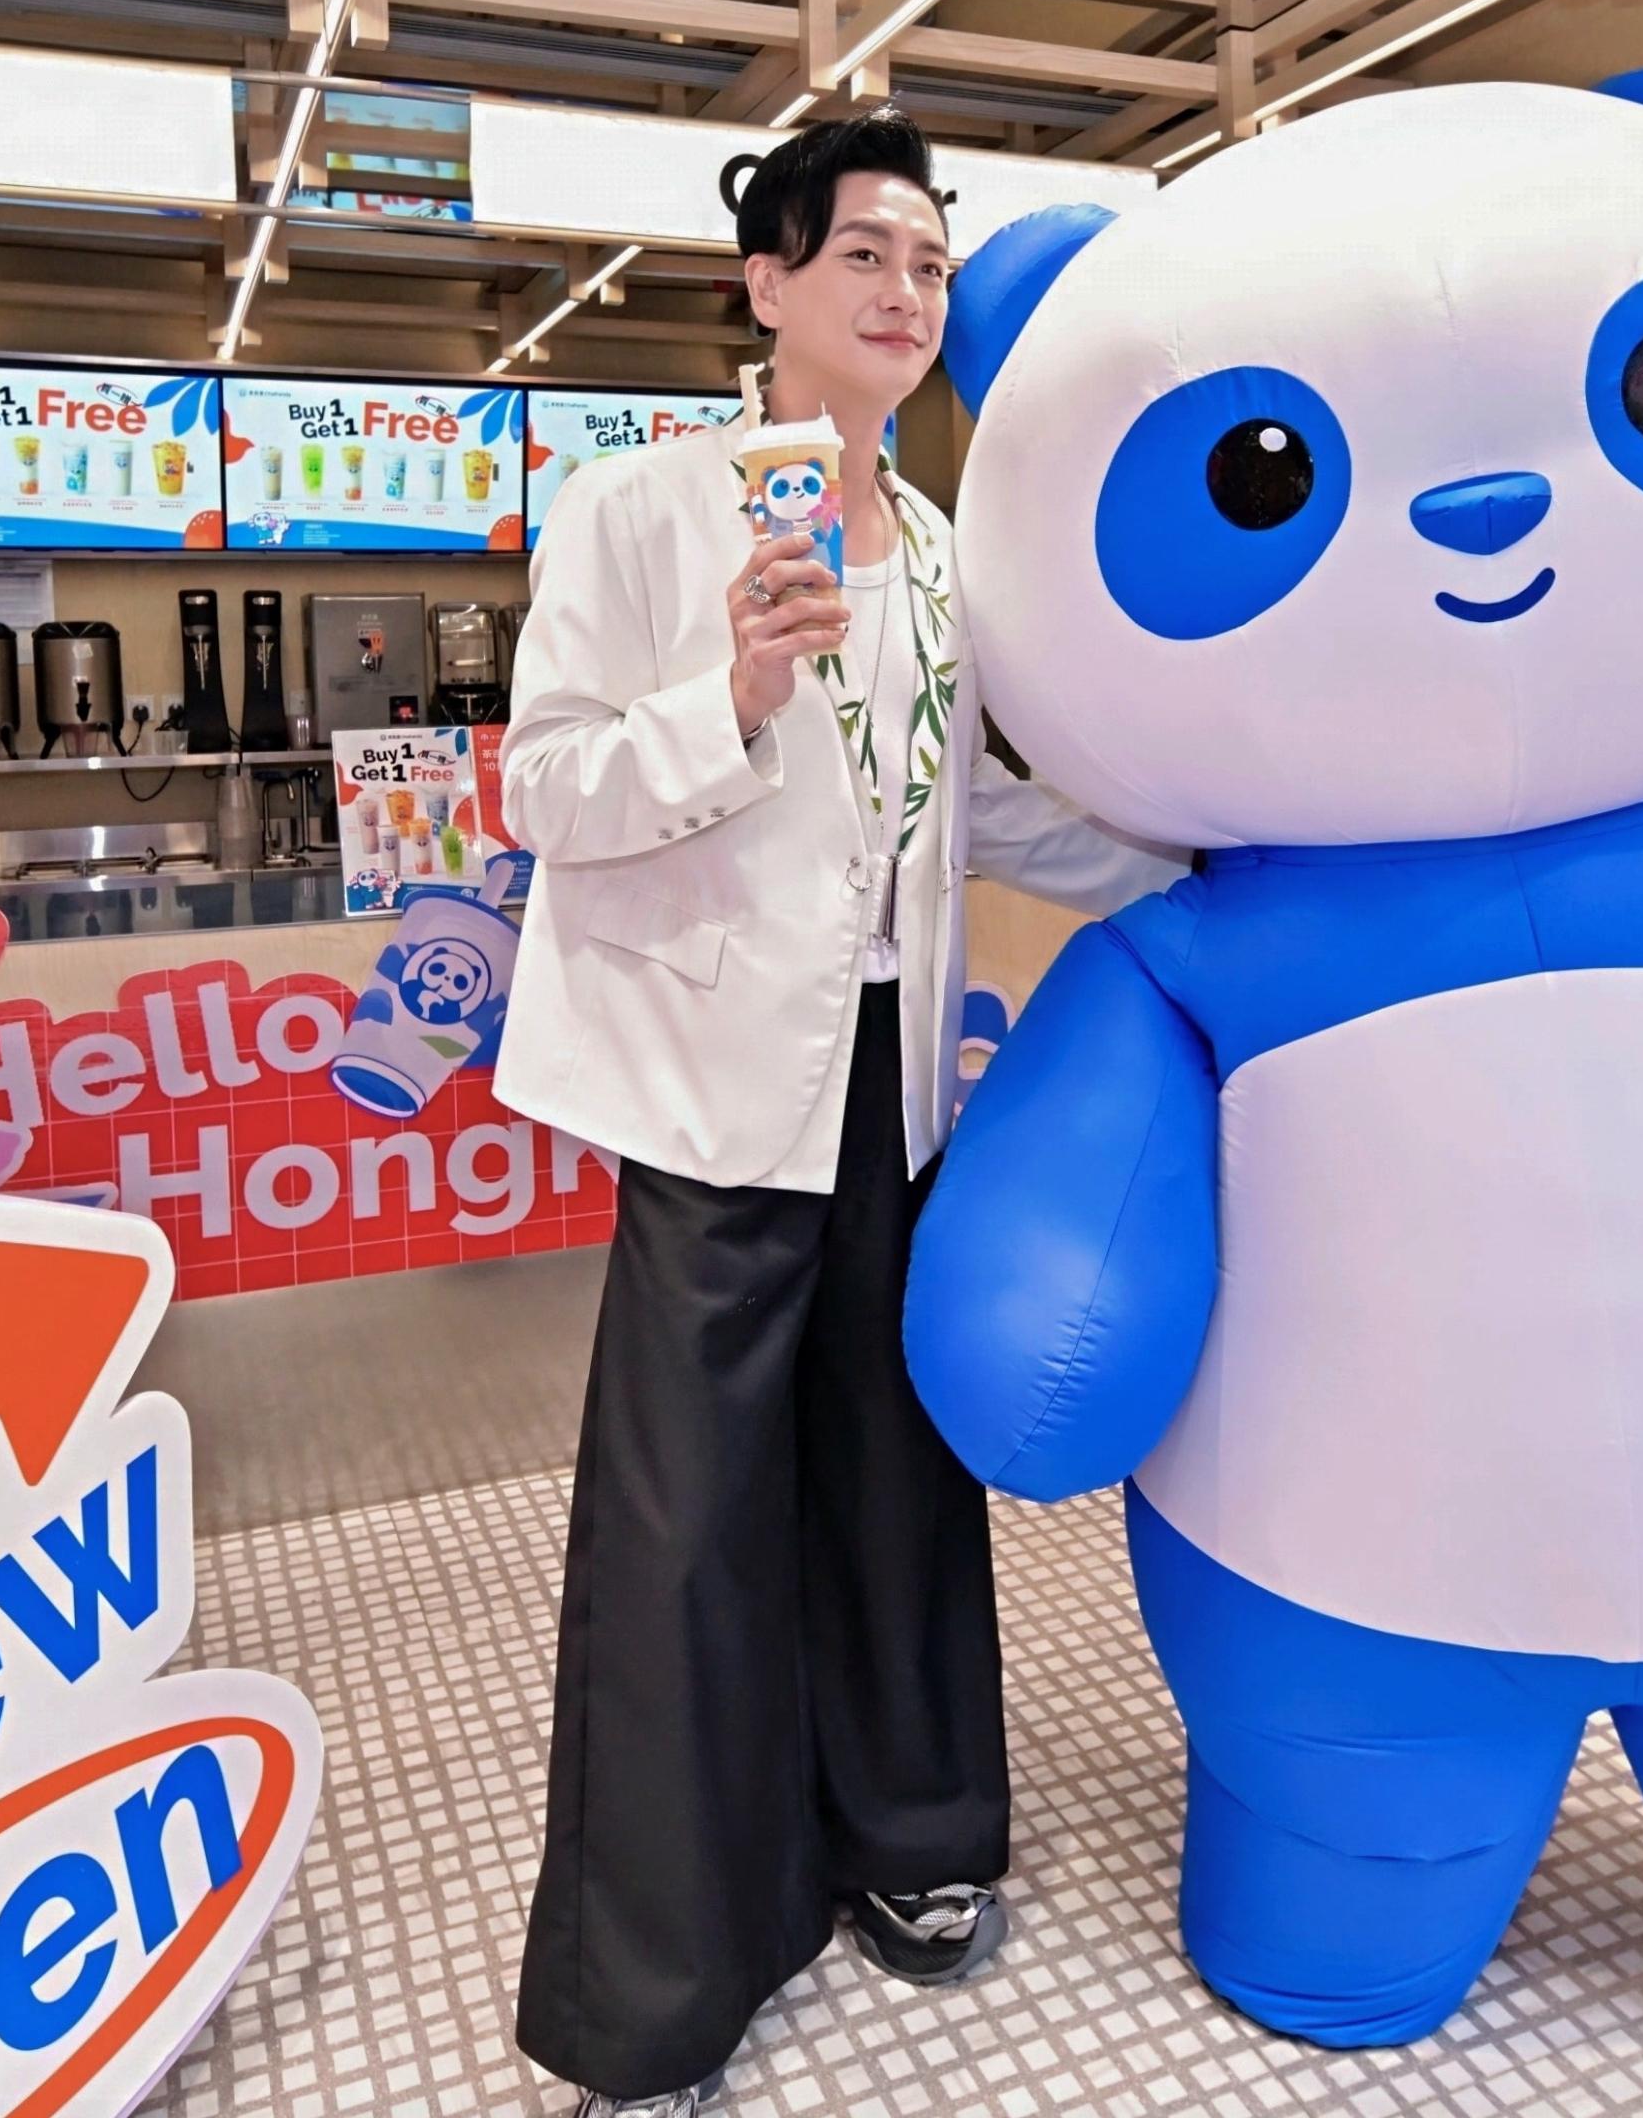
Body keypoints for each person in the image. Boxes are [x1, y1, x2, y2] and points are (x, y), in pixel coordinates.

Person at [493, 108, 1187, 2117]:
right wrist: (725, 694)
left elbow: (969, 811)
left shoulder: (949, 553)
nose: (904, 292)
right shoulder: (639, 514)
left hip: (894, 1080)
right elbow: (544, 789)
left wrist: (1203, 864)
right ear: (766, 286)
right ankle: (664, 1966)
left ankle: (912, 1833)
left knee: (896, 1475)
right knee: (688, 1521)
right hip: (713, 1092)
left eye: (928, 262)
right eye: (864, 255)